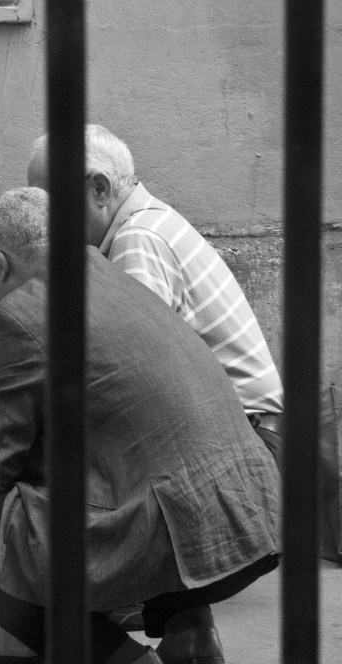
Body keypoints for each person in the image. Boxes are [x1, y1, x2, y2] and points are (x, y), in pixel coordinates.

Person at [0, 187, 280, 664]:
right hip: (252, 517)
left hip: (180, 531)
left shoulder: (20, 314)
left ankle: (115, 662)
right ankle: (189, 634)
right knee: (137, 466)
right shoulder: (113, 274)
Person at [26, 125, 284, 466]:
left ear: (99, 189)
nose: (42, 219)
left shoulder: (138, 240)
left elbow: (132, 381)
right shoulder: (142, 226)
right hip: (240, 434)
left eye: (48, 202)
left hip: (250, 445)